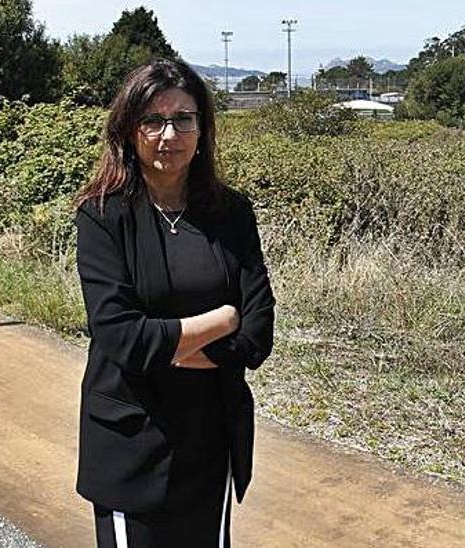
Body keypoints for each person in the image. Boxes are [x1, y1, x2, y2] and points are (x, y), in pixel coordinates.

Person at [72, 58, 275, 547]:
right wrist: (221, 318)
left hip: (210, 441)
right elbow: (121, 337)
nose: (170, 134)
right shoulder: (103, 215)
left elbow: (257, 334)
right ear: (129, 129)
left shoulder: (232, 213)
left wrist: (172, 346)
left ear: (202, 128)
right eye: (153, 121)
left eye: (183, 118)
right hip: (131, 441)